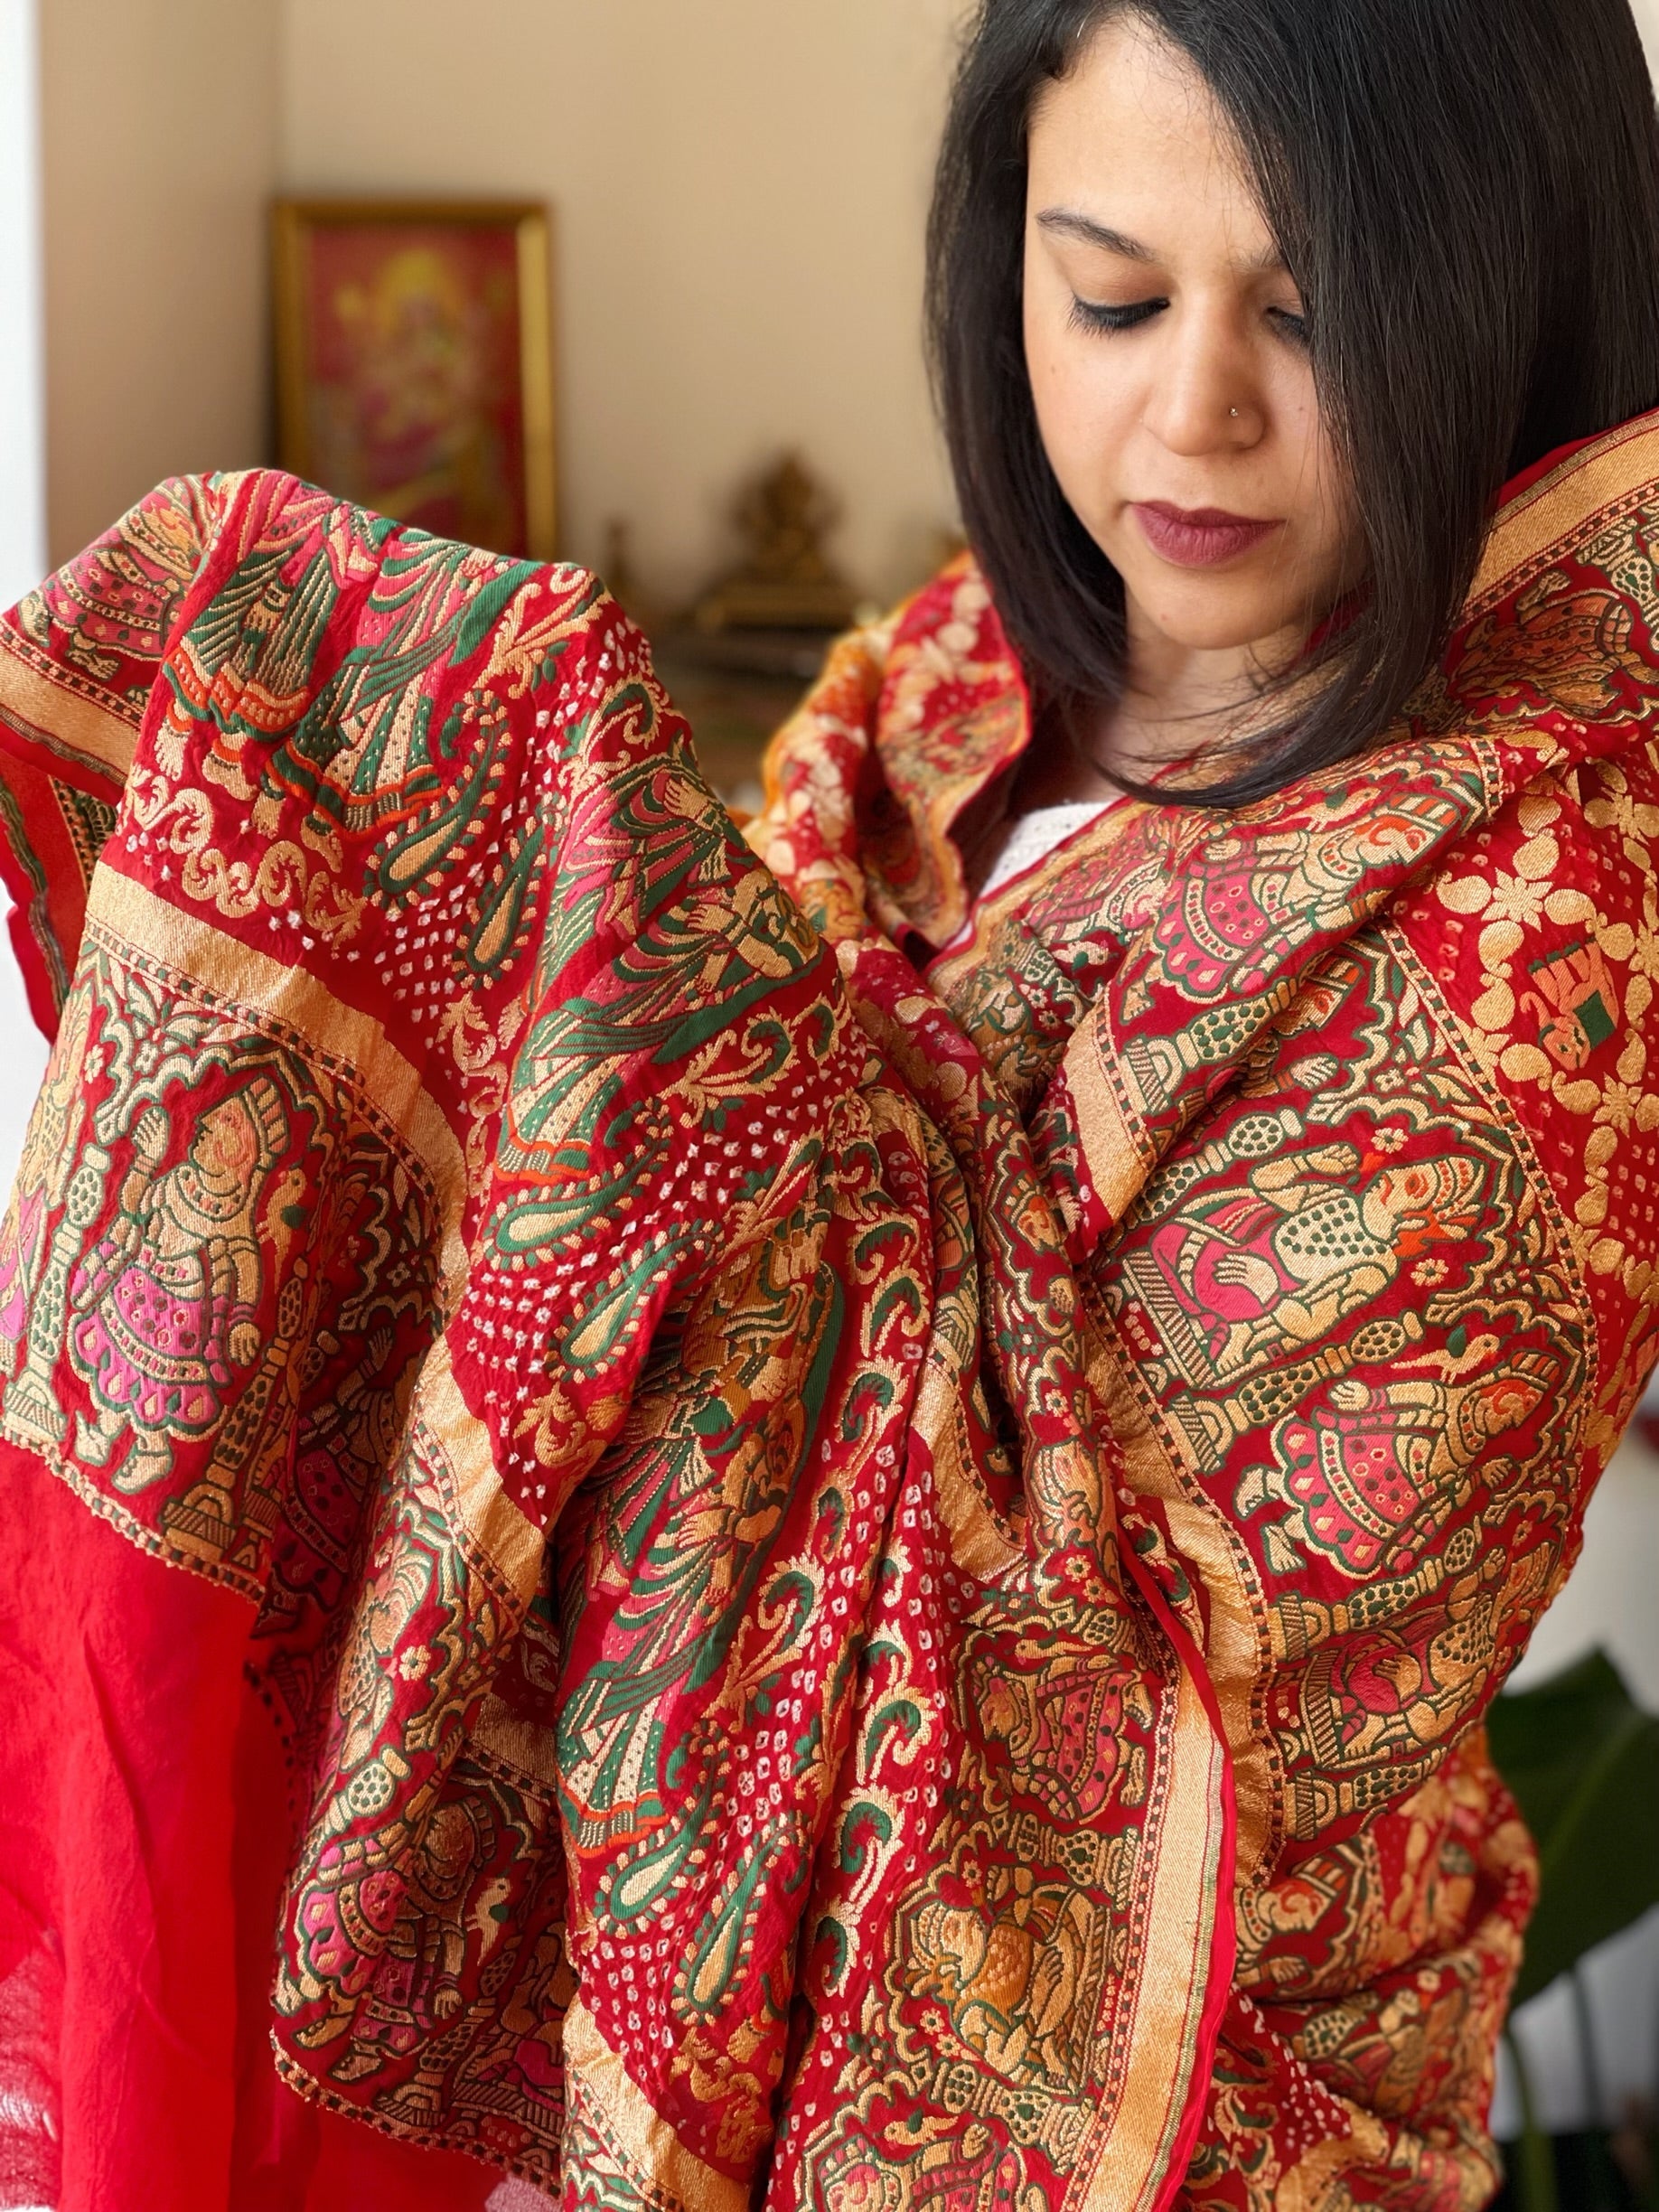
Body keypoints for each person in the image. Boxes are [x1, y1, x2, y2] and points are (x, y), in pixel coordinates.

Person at [1, 1, 1657, 2206]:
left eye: (1316, 314)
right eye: (1111, 295)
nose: (1194, 410)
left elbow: (1081, 1697)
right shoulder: (961, 682)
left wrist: (571, 870)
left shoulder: (1551, 935)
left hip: (1182, 2121)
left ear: (1517, 288)